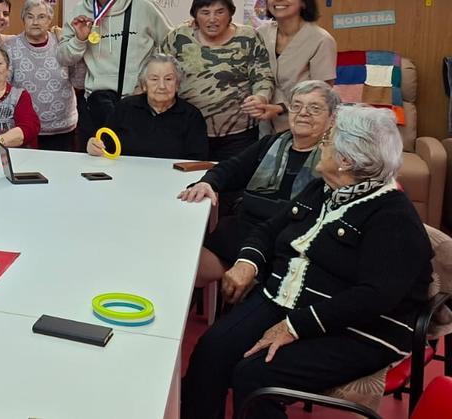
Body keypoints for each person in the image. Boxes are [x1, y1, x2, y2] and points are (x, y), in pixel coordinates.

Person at [181, 105, 432, 419]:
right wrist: (248, 262)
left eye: (328, 140)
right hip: (284, 299)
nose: (321, 145)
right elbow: (269, 229)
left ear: (346, 160)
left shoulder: (393, 218)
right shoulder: (324, 189)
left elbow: (374, 297)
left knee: (256, 376)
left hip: (357, 330)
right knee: (211, 351)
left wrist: (294, 326)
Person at [178, 80, 340, 287]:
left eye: (315, 108)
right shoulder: (272, 143)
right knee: (185, 268)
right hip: (242, 232)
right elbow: (232, 168)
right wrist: (207, 182)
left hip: (290, 245)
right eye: (297, 105)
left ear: (332, 117)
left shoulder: (334, 158)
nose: (303, 113)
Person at [59, 0, 172, 146]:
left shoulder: (143, 6)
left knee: (137, 166)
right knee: (95, 168)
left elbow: (170, 47)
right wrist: (79, 39)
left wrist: (150, 83)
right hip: (95, 105)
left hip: (140, 104)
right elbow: (63, 57)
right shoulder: (79, 12)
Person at [162, 0, 274, 161]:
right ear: (195, 16)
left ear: (230, 13)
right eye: (205, 13)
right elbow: (160, 72)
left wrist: (261, 97)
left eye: (220, 12)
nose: (212, 19)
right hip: (186, 131)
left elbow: (262, 75)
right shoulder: (178, 37)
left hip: (238, 133)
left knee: (232, 183)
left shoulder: (248, 37)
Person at [245, 0, 337, 134]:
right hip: (263, 127)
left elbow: (322, 94)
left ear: (303, 1)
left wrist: (280, 108)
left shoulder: (321, 40)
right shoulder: (261, 33)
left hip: (304, 127)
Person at [85, 53, 208, 160]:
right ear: (144, 85)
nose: (162, 86)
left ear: (177, 85)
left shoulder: (192, 116)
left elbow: (196, 162)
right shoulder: (125, 108)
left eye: (168, 79)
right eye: (154, 79)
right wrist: (94, 147)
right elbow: (105, 145)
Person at [1, 0, 79, 151]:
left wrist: (79, 45)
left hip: (63, 129)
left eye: (41, 17)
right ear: (23, 19)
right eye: (30, 17)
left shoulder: (62, 43)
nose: (35, 22)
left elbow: (78, 81)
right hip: (24, 129)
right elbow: (4, 89)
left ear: (49, 20)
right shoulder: (9, 48)